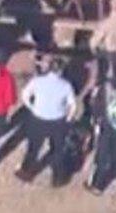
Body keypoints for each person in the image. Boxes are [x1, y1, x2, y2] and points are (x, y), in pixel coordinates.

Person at [17, 56, 78, 186]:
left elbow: (25, 95)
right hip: (57, 121)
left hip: (38, 119)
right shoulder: (66, 85)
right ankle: (57, 179)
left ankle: (25, 172)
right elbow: (73, 105)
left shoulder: (37, 81)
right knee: (57, 150)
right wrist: (68, 118)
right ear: (61, 71)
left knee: (33, 148)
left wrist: (32, 107)